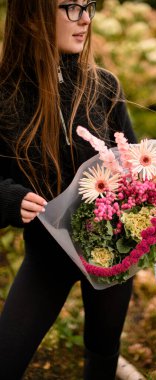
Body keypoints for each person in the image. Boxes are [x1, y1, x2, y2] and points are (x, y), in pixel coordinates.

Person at [0, 1, 137, 379]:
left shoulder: (103, 85)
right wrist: (8, 198)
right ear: (33, 15)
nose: (86, 18)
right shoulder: (5, 95)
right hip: (47, 261)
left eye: (89, 6)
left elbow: (135, 162)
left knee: (103, 357)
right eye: (71, 7)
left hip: (111, 254)